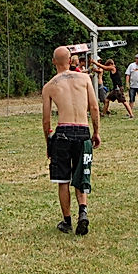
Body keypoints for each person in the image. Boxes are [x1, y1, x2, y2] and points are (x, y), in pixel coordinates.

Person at [42, 46, 100, 235]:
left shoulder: (49, 86)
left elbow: (46, 120)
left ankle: (67, 221)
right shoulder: (84, 79)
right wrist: (96, 132)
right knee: (81, 175)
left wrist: (48, 142)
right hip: (83, 130)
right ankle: (82, 211)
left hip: (63, 132)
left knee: (63, 180)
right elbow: (94, 107)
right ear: (70, 60)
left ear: (53, 62)